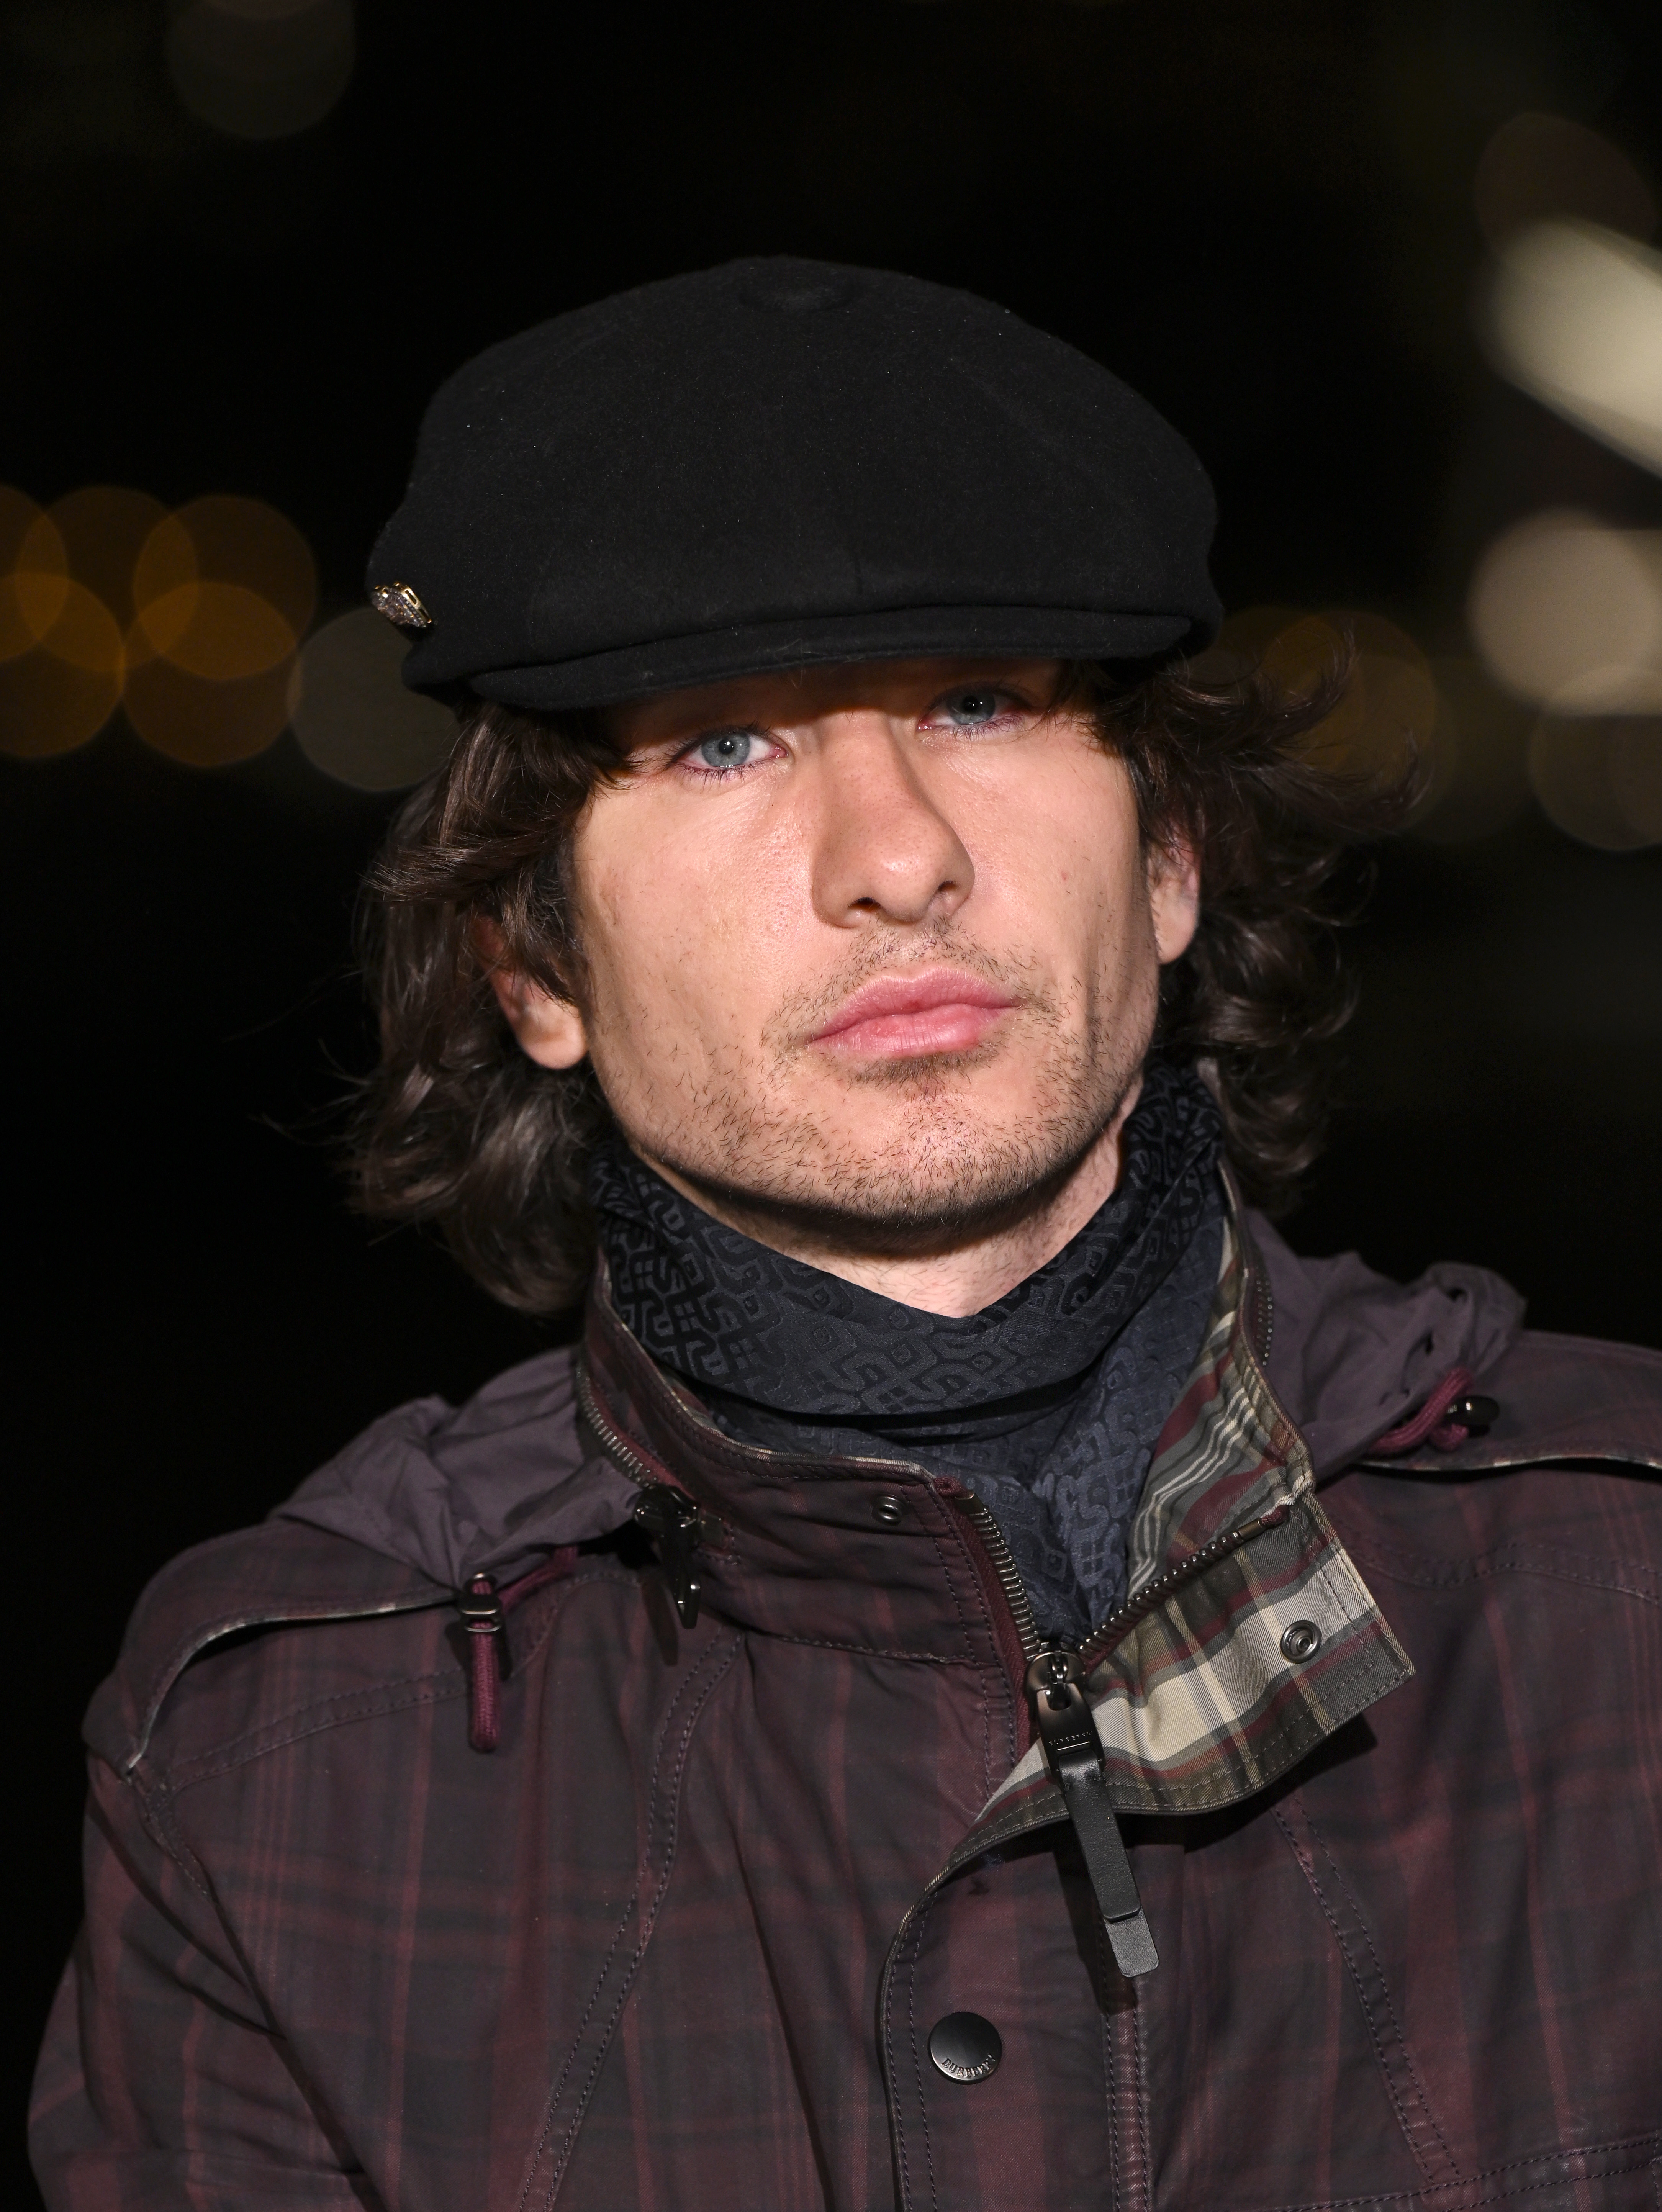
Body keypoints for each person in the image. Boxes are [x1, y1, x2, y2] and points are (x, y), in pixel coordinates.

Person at [31, 258, 1662, 2212]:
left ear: (1166, 858)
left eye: (979, 701)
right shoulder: (283, 1757)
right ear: (531, 959)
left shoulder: (1622, 1582)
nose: (893, 854)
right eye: (721, 744)